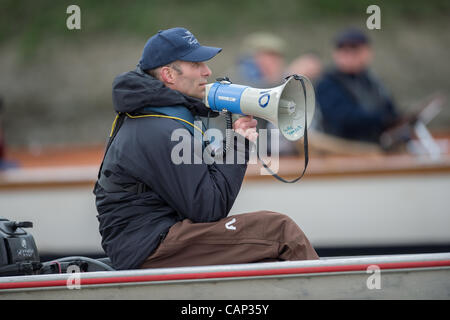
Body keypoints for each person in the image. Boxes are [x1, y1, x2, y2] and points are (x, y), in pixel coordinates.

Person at [93, 27, 319, 271]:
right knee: (279, 231)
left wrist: (237, 140)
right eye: (196, 64)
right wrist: (240, 144)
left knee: (264, 248)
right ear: (168, 74)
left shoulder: (161, 118)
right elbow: (209, 208)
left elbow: (205, 192)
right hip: (148, 245)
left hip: (150, 238)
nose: (207, 71)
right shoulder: (159, 129)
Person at [315, 28, 402, 145]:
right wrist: (383, 119)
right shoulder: (327, 83)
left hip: (375, 144)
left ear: (367, 52)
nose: (349, 56)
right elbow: (344, 119)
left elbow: (390, 109)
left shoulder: (373, 81)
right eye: (344, 50)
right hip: (342, 148)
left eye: (355, 50)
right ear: (335, 54)